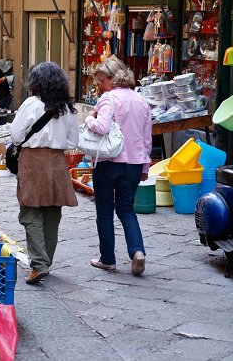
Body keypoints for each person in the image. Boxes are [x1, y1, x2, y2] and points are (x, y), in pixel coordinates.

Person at [9, 62, 78, 284]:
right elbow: (72, 141)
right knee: (52, 213)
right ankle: (45, 261)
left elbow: (16, 135)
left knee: (30, 212)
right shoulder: (67, 108)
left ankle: (39, 264)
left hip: (33, 161)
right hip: (57, 162)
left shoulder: (31, 104)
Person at [84, 56, 151, 277]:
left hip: (108, 162)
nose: (99, 85)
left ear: (112, 79)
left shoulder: (108, 99)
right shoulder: (142, 101)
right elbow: (146, 138)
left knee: (104, 210)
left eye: (101, 80)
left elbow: (102, 127)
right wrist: (144, 167)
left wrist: (88, 120)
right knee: (126, 208)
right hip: (134, 163)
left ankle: (108, 259)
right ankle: (137, 251)